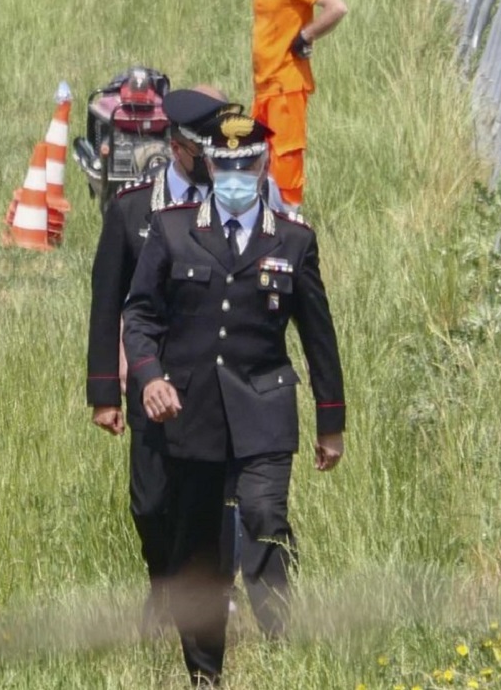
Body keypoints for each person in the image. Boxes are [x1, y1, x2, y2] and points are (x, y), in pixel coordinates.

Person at [121, 112, 346, 685]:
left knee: (265, 516)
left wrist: (330, 421)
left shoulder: (292, 239)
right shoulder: (172, 231)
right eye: (226, 166)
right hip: (192, 415)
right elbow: (140, 315)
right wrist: (149, 377)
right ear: (212, 167)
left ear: (263, 165)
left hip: (264, 409)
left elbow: (317, 335)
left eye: (248, 165)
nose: (237, 175)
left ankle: (278, 632)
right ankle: (205, 670)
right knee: (200, 547)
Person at [86, 86, 240, 629]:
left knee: (215, 499)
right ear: (178, 146)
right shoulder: (133, 211)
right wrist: (105, 391)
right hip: (149, 378)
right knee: (150, 503)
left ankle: (205, 598)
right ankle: (164, 582)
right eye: (208, 152)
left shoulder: (234, 206)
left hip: (217, 381)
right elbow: (107, 303)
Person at [241, 0, 348, 210]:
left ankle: (289, 226)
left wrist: (306, 35)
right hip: (265, 87)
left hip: (286, 88)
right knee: (258, 163)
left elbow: (336, 6)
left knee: (285, 166)